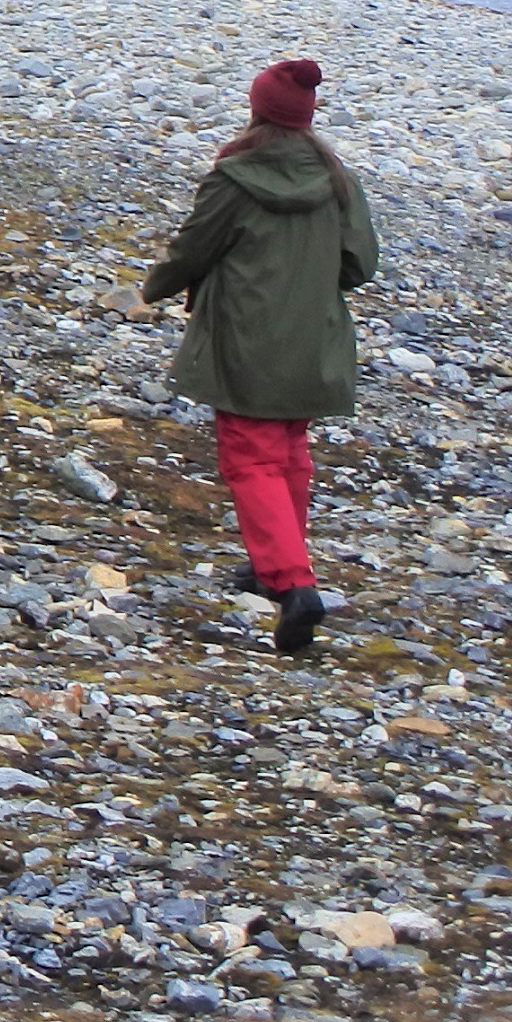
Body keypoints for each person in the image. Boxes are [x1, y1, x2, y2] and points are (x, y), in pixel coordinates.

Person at [137, 57, 375, 659]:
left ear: (257, 108)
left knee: (251, 459)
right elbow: (359, 266)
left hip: (246, 336)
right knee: (290, 449)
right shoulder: (338, 178)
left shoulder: (234, 177)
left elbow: (195, 246)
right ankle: (275, 566)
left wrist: (153, 288)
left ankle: (294, 584)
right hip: (315, 339)